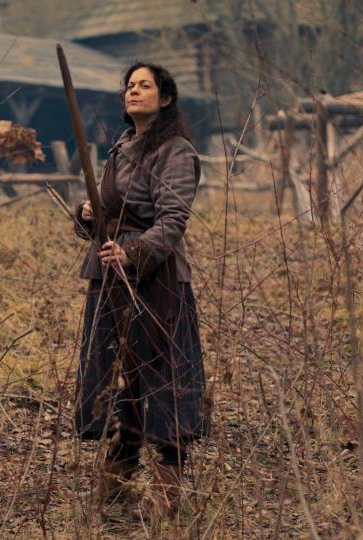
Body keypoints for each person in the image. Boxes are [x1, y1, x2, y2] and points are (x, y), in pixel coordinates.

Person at [73, 62, 210, 520]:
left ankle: (168, 499)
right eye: (129, 86)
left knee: (160, 384)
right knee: (116, 383)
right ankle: (115, 493)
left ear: (165, 98)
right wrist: (90, 215)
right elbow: (108, 216)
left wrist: (132, 253)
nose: (133, 91)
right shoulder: (121, 147)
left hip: (156, 284)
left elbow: (172, 223)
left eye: (144, 86)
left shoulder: (176, 150)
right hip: (108, 277)